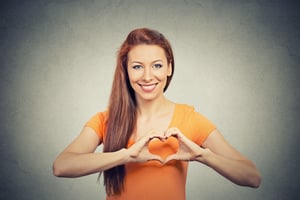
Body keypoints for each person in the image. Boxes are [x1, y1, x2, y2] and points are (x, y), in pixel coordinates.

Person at [52, 28, 261, 200]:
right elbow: (62, 166)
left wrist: (202, 155)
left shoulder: (190, 119)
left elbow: (252, 177)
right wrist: (126, 154)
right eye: (137, 67)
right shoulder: (104, 120)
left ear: (169, 68)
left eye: (157, 65)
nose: (147, 76)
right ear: (125, 71)